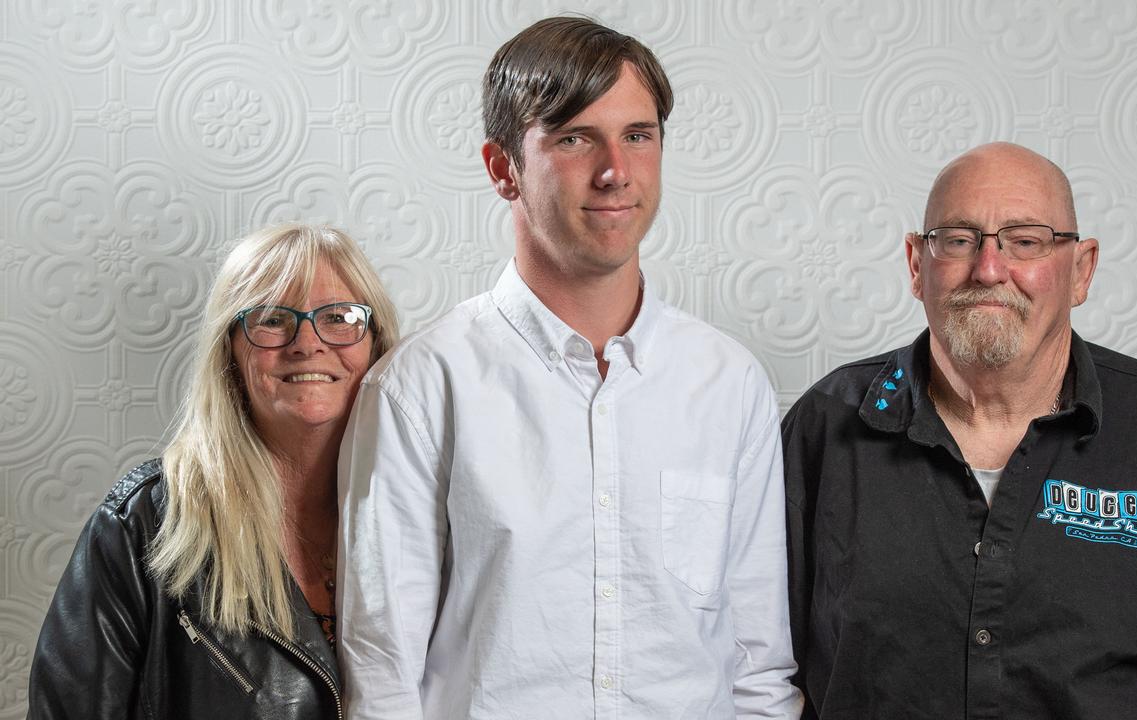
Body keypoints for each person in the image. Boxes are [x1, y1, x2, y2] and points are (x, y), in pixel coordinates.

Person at [337, 16, 802, 719]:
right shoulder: (423, 386)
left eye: (638, 136)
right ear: (503, 169)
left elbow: (758, 667)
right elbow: (382, 669)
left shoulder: (728, 384)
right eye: (575, 137)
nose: (616, 170)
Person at [783, 142, 1137, 718]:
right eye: (958, 240)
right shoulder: (825, 428)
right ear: (918, 266)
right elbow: (755, 663)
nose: (989, 269)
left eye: (1026, 241)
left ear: (1081, 269)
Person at [28, 224, 400, 719]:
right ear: (229, 348)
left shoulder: (424, 510)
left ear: (376, 343)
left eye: (339, 317)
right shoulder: (144, 524)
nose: (307, 342)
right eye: (271, 319)